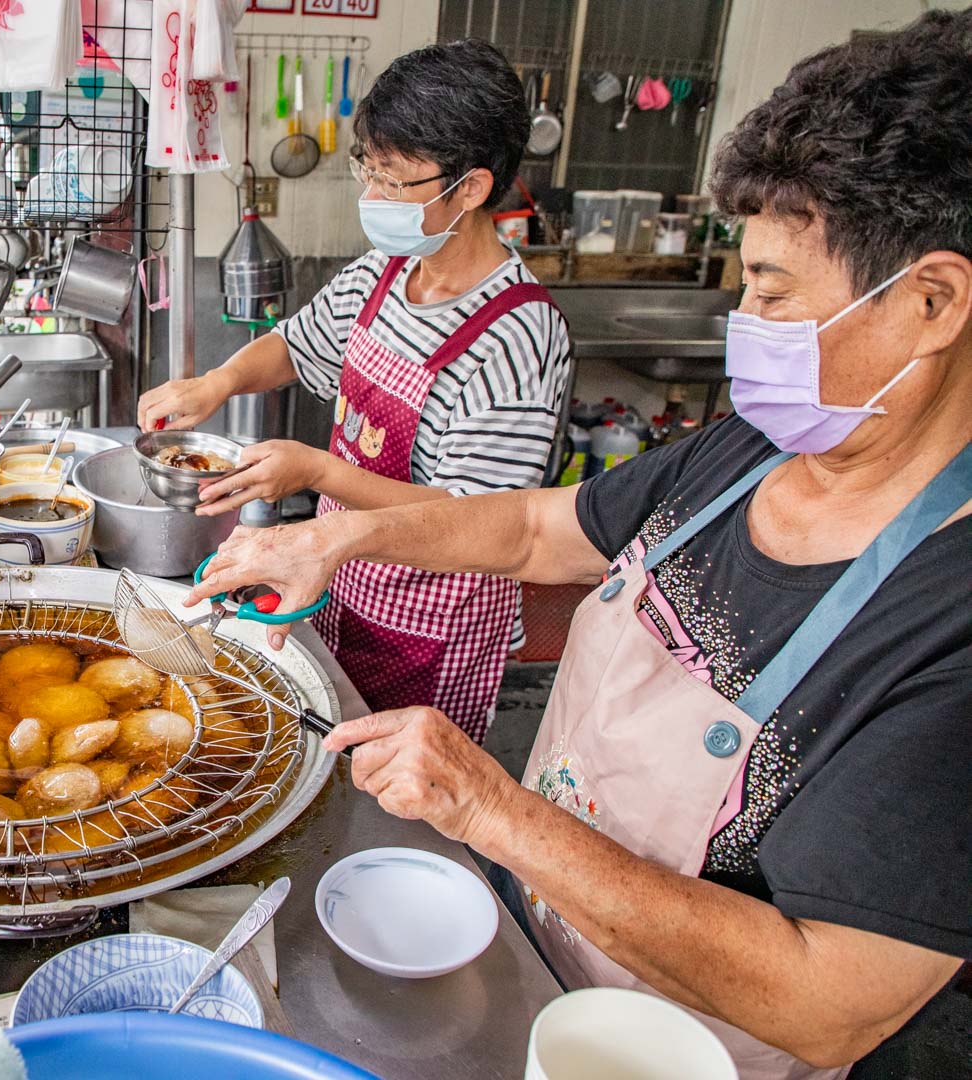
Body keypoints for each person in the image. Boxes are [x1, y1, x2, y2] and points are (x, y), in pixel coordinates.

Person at [187, 12, 972, 1078]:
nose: (748, 321)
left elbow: (829, 1001)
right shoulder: (743, 451)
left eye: (776, 295)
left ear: (931, 301)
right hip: (533, 955)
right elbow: (529, 525)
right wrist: (332, 544)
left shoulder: (945, 616)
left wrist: (490, 805)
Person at [137, 40, 571, 745]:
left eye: (394, 181)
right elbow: (298, 341)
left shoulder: (516, 337)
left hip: (432, 620)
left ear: (471, 188)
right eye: (367, 171)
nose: (372, 198)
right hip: (344, 575)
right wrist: (217, 382)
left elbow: (486, 520)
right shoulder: (386, 272)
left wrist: (318, 472)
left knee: (400, 802)